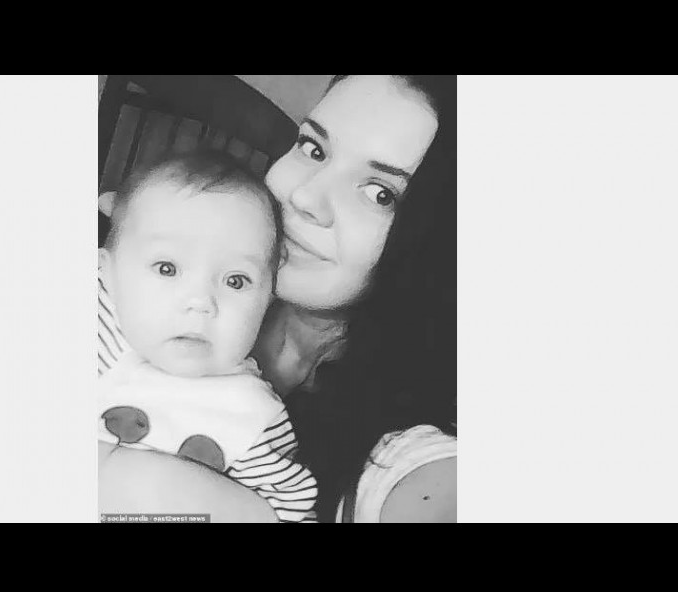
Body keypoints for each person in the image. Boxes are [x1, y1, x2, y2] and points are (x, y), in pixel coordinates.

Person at [98, 74, 456, 523]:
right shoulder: (138, 283)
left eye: (380, 194)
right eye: (313, 149)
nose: (303, 195)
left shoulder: (414, 463)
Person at [98, 150, 317, 522]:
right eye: (167, 268)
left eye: (236, 281)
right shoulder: (101, 326)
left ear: (268, 297)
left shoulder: (252, 415)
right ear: (107, 273)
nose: (201, 302)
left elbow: (292, 509)